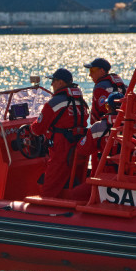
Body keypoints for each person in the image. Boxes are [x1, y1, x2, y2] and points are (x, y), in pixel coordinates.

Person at [29, 68, 89, 198]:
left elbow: (38, 129)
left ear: (61, 82)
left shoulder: (54, 103)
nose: (51, 85)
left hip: (61, 150)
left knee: (49, 186)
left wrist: (30, 128)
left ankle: (44, 209)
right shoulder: (81, 103)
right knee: (73, 177)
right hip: (77, 148)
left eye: (53, 81)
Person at [84, 57, 126, 123]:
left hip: (106, 128)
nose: (90, 74)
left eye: (92, 70)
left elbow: (103, 111)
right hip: (124, 124)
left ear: (102, 71)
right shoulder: (122, 86)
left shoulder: (100, 88)